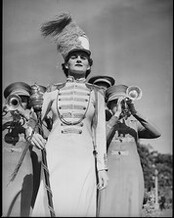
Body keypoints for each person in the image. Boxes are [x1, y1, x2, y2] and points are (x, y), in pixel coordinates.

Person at [29, 12, 108, 217]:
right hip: (55, 154)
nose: (79, 59)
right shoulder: (53, 90)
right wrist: (32, 134)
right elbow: (32, 118)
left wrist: (102, 168)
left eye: (84, 57)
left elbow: (99, 134)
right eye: (74, 56)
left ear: (90, 65)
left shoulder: (97, 94)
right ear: (66, 64)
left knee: (80, 204)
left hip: (84, 157)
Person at [98, 84, 161, 217]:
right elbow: (99, 140)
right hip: (110, 174)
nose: (120, 106)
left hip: (132, 174)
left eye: (123, 102)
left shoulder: (134, 124)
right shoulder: (104, 123)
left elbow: (157, 133)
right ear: (109, 106)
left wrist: (135, 112)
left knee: (131, 208)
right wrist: (115, 116)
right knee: (107, 208)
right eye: (115, 103)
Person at [2, 82, 42, 217]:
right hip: (4, 167)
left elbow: (39, 136)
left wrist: (24, 118)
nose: (19, 102)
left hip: (24, 169)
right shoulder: (3, 116)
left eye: (24, 100)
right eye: (15, 99)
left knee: (23, 207)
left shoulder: (32, 118)